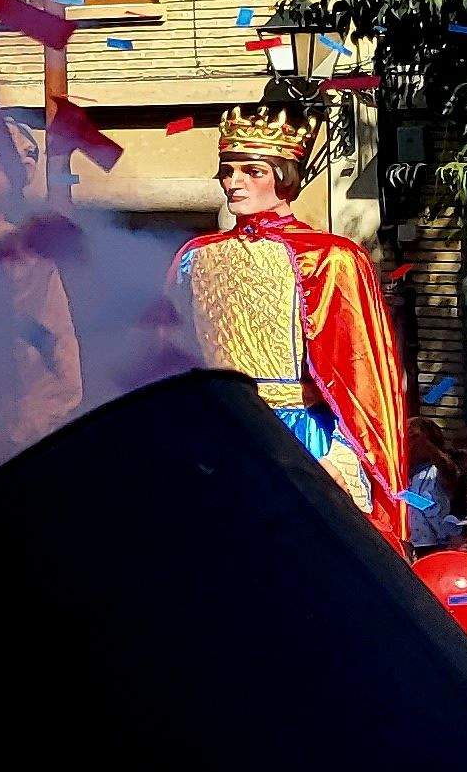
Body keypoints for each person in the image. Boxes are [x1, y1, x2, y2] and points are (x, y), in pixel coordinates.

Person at [167, 104, 410, 536]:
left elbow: (359, 372)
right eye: (228, 170)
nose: (234, 181)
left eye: (252, 170)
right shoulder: (194, 257)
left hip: (299, 439)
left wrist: (343, 458)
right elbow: (169, 353)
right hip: (222, 437)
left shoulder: (331, 258)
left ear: (283, 176)